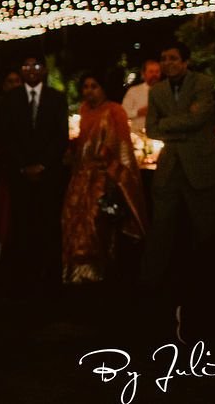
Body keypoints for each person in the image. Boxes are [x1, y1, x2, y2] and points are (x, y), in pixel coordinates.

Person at [141, 42, 215, 294]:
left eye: (173, 58)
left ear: (185, 62)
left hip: (201, 164)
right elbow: (152, 129)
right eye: (163, 58)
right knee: (161, 226)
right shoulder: (157, 91)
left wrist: (170, 125)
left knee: (206, 227)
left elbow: (199, 117)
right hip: (170, 166)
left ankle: (212, 283)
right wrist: (183, 126)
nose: (167, 63)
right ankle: (150, 283)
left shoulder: (202, 82)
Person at [62, 73, 147, 284]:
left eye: (94, 86)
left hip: (103, 180)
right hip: (80, 179)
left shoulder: (115, 111)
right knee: (72, 223)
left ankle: (101, 277)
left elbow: (123, 152)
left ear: (104, 88)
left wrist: (113, 181)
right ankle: (78, 275)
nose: (89, 91)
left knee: (97, 227)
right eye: (86, 87)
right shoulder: (84, 109)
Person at [0, 55, 70, 291]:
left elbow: (61, 137)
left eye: (36, 66)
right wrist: (23, 166)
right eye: (26, 66)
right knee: (22, 226)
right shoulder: (10, 98)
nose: (31, 70)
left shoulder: (57, 98)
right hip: (19, 175)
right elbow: (6, 136)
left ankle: (48, 278)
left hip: (49, 175)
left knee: (47, 224)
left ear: (44, 70)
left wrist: (43, 165)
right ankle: (23, 280)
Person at [122, 59, 162, 134]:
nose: (154, 75)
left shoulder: (165, 91)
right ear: (144, 74)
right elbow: (123, 113)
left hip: (159, 134)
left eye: (157, 72)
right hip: (139, 136)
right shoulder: (134, 91)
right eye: (151, 72)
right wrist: (138, 112)